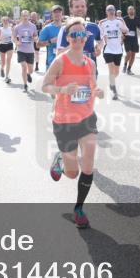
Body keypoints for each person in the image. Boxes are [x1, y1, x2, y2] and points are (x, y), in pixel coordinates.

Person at [42, 17, 105, 229]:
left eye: (82, 34)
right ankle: (61, 159)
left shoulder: (91, 62)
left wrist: (98, 91)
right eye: (74, 35)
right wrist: (62, 90)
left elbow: (93, 85)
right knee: (72, 173)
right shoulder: (60, 61)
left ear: (86, 37)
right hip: (64, 121)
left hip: (87, 118)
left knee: (88, 166)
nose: (78, 38)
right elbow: (45, 86)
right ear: (68, 38)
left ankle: (79, 208)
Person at [55, 0, 103, 75]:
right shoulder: (65, 29)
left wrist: (99, 48)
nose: (80, 9)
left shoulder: (94, 27)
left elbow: (101, 40)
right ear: (71, 9)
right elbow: (58, 54)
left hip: (91, 73)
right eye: (77, 7)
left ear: (86, 8)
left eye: (82, 6)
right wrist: (75, 42)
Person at [98, 5, 128, 99]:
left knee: (116, 72)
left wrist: (123, 30)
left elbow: (126, 30)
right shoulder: (102, 22)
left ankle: (111, 83)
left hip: (118, 49)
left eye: (112, 10)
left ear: (115, 11)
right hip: (108, 50)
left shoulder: (120, 21)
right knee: (111, 70)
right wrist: (98, 47)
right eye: (109, 10)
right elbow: (100, 37)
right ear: (106, 12)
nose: (111, 11)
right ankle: (114, 91)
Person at [13, 9, 39, 92]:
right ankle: (25, 84)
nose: (25, 17)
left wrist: (35, 38)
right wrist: (16, 42)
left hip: (30, 50)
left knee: (30, 70)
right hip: (21, 50)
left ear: (29, 16)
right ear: (21, 16)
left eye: (26, 15)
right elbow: (13, 37)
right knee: (24, 67)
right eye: (23, 15)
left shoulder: (33, 26)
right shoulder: (17, 27)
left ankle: (28, 74)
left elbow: (35, 36)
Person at [38, 5, 64, 69]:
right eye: (55, 12)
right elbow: (38, 45)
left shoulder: (67, 27)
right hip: (51, 63)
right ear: (52, 14)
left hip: (65, 64)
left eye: (59, 12)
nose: (57, 14)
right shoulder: (47, 28)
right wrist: (50, 41)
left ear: (62, 14)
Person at [122, 5, 140, 75]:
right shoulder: (124, 19)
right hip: (127, 38)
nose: (131, 11)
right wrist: (122, 35)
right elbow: (120, 28)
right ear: (127, 11)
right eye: (130, 10)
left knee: (133, 55)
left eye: (132, 9)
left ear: (134, 11)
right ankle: (124, 65)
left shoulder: (137, 19)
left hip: (134, 39)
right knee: (129, 53)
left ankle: (129, 69)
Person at [0, 15, 14, 82]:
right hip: (2, 45)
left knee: (8, 60)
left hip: (9, 45)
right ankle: (2, 68)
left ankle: (7, 76)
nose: (5, 22)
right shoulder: (0, 29)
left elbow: (13, 37)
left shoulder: (11, 28)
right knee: (3, 62)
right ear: (2, 22)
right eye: (4, 20)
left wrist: (14, 40)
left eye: (6, 20)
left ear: (8, 21)